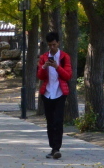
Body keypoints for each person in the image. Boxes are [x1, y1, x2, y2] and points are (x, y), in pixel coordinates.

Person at [36, 32, 73, 160]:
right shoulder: (43, 57)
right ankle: (53, 148)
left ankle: (57, 148)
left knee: (58, 120)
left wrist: (57, 66)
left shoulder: (64, 57)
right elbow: (40, 76)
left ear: (58, 43)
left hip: (60, 93)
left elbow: (68, 76)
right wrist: (44, 67)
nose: (52, 47)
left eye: (54, 44)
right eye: (50, 45)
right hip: (47, 93)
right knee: (50, 122)